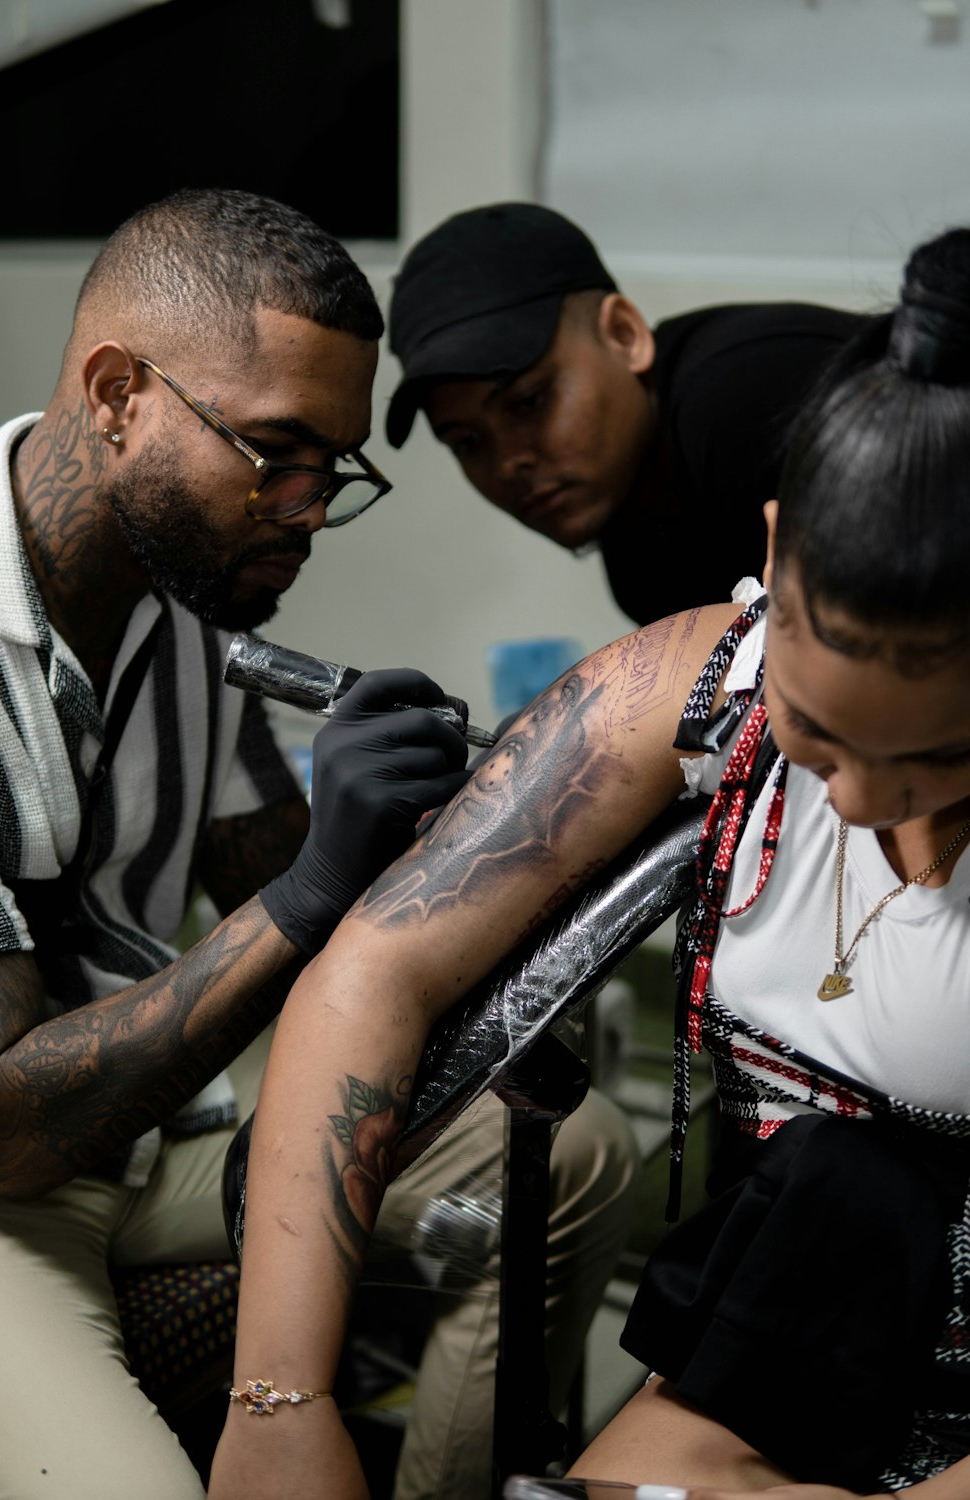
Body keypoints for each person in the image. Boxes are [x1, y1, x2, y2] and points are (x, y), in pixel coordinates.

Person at [209, 220, 970, 1500]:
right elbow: (372, 978)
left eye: (940, 760)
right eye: (819, 734)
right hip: (796, 1319)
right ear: (770, 556)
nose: (861, 801)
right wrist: (278, 1404)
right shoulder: (687, 683)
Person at [0, 187, 639, 1500]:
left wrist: (437, 824)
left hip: (144, 1145)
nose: (306, 508)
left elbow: (286, 871)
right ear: (118, 395)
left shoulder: (180, 604)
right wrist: (316, 878)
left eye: (332, 463)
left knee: (564, 1147)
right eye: (273, 450)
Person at [385, 201, 869, 626]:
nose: (508, 463)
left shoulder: (746, 396)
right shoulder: (637, 556)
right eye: (467, 441)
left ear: (623, 334)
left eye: (529, 402)